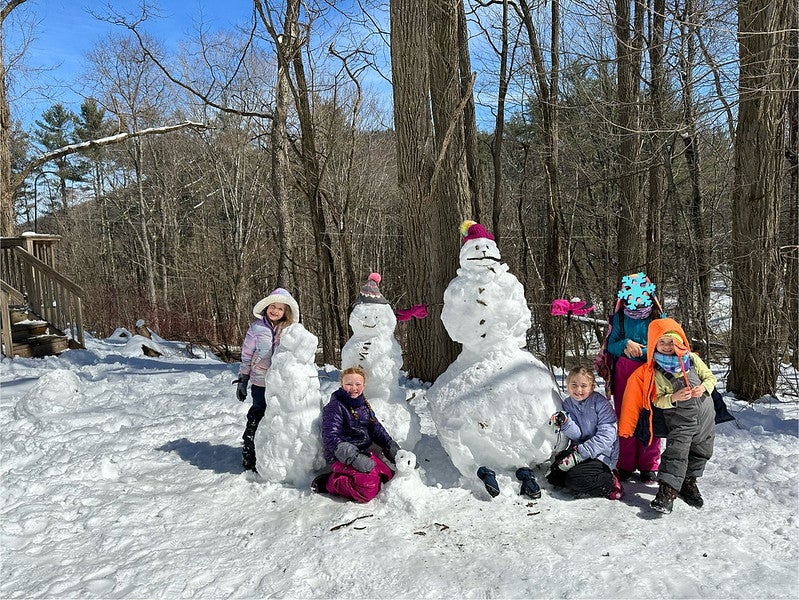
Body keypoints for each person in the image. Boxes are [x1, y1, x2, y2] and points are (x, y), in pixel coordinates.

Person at [618, 318, 716, 514]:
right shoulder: (654, 371)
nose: (666, 346)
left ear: (679, 341)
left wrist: (703, 387)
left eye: (670, 342)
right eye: (661, 342)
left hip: (706, 415)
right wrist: (673, 397)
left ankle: (688, 482)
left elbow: (710, 378)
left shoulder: (693, 359)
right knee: (676, 453)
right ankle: (666, 494)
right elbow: (657, 400)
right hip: (680, 418)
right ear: (654, 344)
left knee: (702, 451)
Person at [313, 366, 401, 503]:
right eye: (349, 384)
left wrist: (391, 447)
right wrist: (354, 458)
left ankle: (349, 476)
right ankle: (330, 482)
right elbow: (331, 437)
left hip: (363, 454)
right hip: (341, 457)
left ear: (363, 386)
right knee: (368, 488)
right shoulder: (335, 407)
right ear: (342, 385)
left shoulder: (364, 405)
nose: (354, 388)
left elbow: (376, 428)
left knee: (388, 475)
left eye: (358, 384)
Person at [606, 272, 663, 483]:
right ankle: (626, 464)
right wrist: (624, 344)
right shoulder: (619, 318)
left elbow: (667, 346)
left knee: (650, 417)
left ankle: (649, 465)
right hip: (624, 373)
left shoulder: (658, 318)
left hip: (651, 373)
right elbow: (610, 346)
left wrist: (647, 350)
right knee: (626, 418)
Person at [235, 287, 300, 472]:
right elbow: (247, 355)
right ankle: (250, 454)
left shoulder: (289, 330)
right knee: (258, 414)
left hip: (281, 384)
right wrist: (243, 378)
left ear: (285, 311)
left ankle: (274, 454)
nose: (275, 311)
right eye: (272, 306)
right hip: (260, 382)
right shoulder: (256, 328)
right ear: (266, 307)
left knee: (277, 419)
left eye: (280, 308)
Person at [546, 367, 624, 500]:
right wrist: (565, 422)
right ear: (568, 385)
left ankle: (610, 481)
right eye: (574, 385)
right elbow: (577, 435)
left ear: (592, 387)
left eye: (583, 386)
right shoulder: (568, 404)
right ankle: (582, 474)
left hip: (601, 454)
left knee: (574, 480)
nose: (578, 390)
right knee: (554, 477)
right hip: (579, 452)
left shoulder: (601, 404)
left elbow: (608, 436)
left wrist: (582, 452)